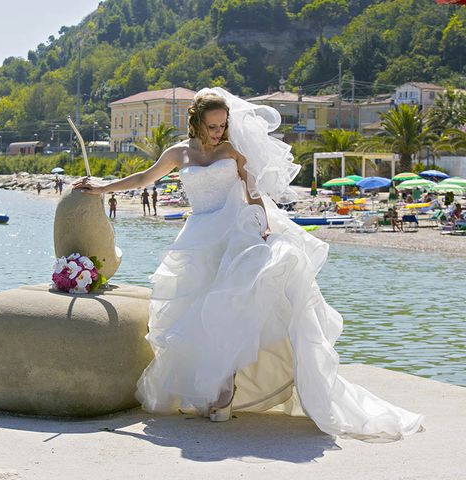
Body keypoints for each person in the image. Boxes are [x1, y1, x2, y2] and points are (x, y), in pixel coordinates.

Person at [73, 87, 423, 440]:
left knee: (232, 311)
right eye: (212, 126)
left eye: (222, 126)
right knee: (199, 317)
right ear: (195, 123)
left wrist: (266, 228)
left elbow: (254, 193)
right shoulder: (177, 153)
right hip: (198, 239)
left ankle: (224, 393)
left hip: (236, 232)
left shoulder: (231, 151)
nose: (218, 133)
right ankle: (215, 391)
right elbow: (144, 178)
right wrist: (103, 188)